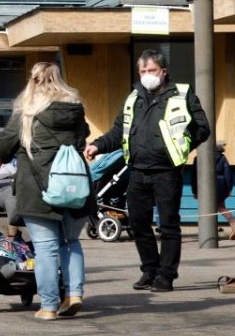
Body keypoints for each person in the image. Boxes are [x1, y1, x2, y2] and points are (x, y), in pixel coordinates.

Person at [85, 49, 210, 293]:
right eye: (142, 71)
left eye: (151, 70)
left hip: (167, 171)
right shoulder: (134, 97)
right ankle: (149, 270)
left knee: (168, 225)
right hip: (137, 171)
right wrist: (97, 145)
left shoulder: (183, 96)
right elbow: (118, 132)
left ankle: (166, 276)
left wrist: (184, 146)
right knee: (138, 223)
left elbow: (202, 128)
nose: (146, 75)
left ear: (163, 72)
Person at [0, 62, 93, 321]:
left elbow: (3, 150)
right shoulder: (74, 108)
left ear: (33, 80)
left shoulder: (26, 112)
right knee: (71, 242)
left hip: (38, 187)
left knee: (46, 247)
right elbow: (83, 138)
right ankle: (74, 294)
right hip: (74, 185)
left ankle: (48, 306)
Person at [192, 141, 235, 240]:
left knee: (209, 208)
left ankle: (229, 223)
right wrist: (229, 188)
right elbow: (228, 173)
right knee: (220, 206)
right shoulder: (222, 158)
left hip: (204, 184)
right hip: (221, 184)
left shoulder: (198, 158)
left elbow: (194, 176)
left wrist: (194, 190)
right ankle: (230, 223)